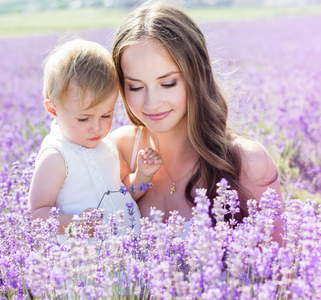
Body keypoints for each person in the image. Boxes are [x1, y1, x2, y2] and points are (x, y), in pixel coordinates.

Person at [111, 0, 284, 245]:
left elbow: (279, 273)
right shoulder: (118, 149)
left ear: (196, 75)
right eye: (135, 87)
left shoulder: (246, 161)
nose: (151, 102)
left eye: (168, 83)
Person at [28, 39, 162, 237]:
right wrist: (76, 224)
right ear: (53, 109)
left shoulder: (107, 145)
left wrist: (143, 175)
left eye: (106, 115)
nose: (97, 128)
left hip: (127, 249)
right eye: (83, 119)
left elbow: (126, 192)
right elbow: (36, 215)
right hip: (85, 258)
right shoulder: (57, 156)